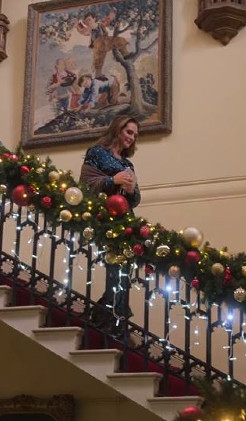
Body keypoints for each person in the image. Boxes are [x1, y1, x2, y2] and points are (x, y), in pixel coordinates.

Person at [79, 115, 141, 335]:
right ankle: (114, 324)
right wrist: (112, 181)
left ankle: (102, 319)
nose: (132, 138)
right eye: (129, 132)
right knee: (116, 273)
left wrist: (132, 189)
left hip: (126, 222)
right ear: (118, 129)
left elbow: (136, 199)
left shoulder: (127, 164)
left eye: (135, 135)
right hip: (105, 219)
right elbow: (85, 184)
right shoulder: (97, 152)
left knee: (124, 274)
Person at [76, 9, 130, 77]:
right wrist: (78, 26)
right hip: (98, 45)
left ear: (94, 19)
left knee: (119, 40)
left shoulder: (100, 24)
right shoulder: (89, 30)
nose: (88, 22)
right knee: (98, 58)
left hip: (106, 41)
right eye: (86, 21)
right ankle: (98, 74)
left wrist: (112, 13)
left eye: (89, 19)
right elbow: (83, 31)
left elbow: (107, 20)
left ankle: (125, 54)